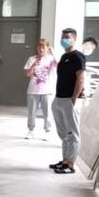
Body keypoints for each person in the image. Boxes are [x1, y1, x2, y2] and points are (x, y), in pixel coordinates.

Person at [50, 28, 86, 175]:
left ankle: (70, 164)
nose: (64, 39)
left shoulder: (78, 57)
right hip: (59, 98)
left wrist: (74, 98)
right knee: (63, 133)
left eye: (67, 37)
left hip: (69, 99)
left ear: (74, 39)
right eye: (62, 37)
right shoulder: (64, 56)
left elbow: (81, 78)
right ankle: (65, 160)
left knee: (72, 133)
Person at [24, 39, 57, 140]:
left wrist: (53, 52)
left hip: (47, 90)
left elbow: (59, 64)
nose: (41, 49)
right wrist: (34, 65)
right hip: (33, 90)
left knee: (47, 112)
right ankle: (31, 130)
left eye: (43, 47)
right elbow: (28, 74)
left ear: (47, 48)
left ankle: (48, 131)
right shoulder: (31, 58)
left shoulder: (51, 59)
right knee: (31, 112)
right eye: (39, 47)